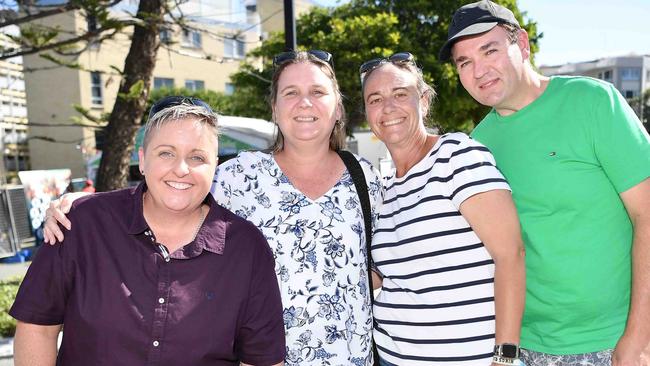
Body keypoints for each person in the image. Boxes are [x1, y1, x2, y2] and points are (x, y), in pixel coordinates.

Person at [43, 51, 383, 366]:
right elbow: (170, 188)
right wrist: (80, 203)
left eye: (318, 92)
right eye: (290, 92)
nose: (304, 102)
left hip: (350, 358)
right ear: (275, 108)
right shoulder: (237, 176)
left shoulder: (364, 177)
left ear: (338, 107)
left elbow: (386, 262)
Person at [439, 1, 650, 365]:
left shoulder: (594, 103)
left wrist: (638, 339)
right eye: (464, 62)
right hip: (521, 347)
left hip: (612, 342)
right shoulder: (476, 146)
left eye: (489, 50)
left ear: (522, 43)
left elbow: (647, 215)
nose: (479, 70)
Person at [12, 97, 286, 365]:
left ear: (215, 166)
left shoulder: (246, 248)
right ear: (142, 160)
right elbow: (37, 328)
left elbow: (262, 359)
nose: (181, 169)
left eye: (197, 157)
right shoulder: (81, 225)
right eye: (166, 153)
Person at [360, 52, 526, 366]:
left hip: (465, 359)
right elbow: (388, 274)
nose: (388, 107)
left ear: (422, 101)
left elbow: (511, 254)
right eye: (375, 99)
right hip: (391, 357)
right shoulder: (383, 188)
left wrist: (505, 356)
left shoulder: (456, 156)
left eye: (400, 94)